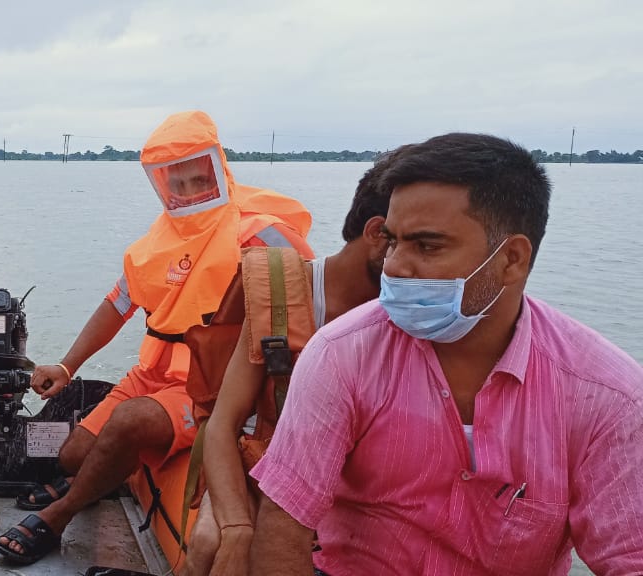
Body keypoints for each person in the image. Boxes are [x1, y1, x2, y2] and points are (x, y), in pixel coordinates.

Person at [249, 133, 643, 575]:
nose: (395, 265)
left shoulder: (606, 394)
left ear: (511, 259)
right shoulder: (341, 355)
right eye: (394, 241)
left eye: (427, 246)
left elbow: (629, 557)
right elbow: (287, 518)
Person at [0, 110, 314, 565]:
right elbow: (117, 306)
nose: (186, 192)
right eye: (173, 183)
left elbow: (312, 301)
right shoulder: (155, 242)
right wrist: (66, 367)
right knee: (71, 456)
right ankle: (95, 477)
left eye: (196, 178)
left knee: (130, 422)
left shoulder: (260, 232)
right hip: (152, 371)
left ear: (217, 167)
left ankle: (58, 515)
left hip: (214, 386)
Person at [179, 149, 404, 576]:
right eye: (415, 244)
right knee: (210, 541)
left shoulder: (417, 318)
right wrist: (237, 527)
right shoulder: (283, 295)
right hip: (266, 463)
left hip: (352, 486)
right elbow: (224, 423)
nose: (423, 270)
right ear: (378, 233)